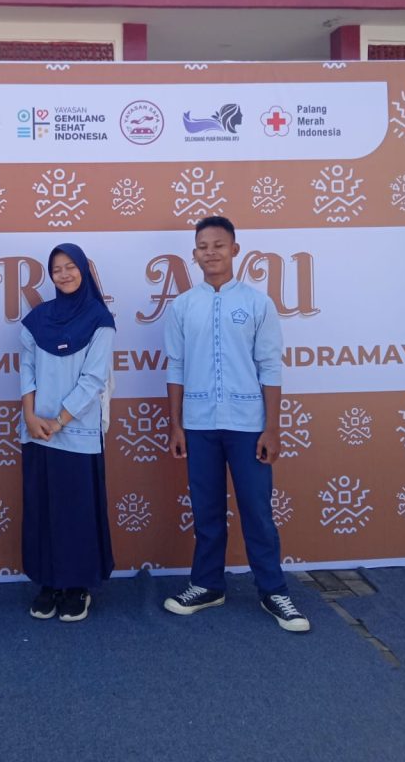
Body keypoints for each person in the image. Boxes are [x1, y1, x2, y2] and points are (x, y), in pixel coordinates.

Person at [163, 216, 310, 633]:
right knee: (206, 510)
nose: (210, 252)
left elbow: (270, 367)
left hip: (248, 426)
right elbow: (175, 367)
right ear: (194, 254)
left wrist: (272, 428)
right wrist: (176, 425)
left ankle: (273, 590)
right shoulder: (183, 306)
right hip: (198, 425)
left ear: (235, 249)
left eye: (218, 245)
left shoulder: (258, 303)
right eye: (202, 246)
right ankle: (207, 584)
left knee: (257, 511)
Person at [19, 243, 116, 622]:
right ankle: (48, 582)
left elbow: (93, 379)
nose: (64, 274)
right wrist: (30, 416)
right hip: (37, 430)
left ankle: (76, 587)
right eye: (57, 269)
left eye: (70, 266)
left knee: (75, 510)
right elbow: (27, 370)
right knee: (42, 508)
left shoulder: (99, 319)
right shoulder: (36, 320)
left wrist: (59, 421)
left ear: (83, 270)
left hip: (77, 432)